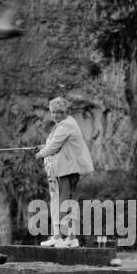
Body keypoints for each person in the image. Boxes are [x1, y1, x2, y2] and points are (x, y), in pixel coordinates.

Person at [36, 96, 93, 248]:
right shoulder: (64, 123)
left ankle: (60, 237)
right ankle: (68, 237)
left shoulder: (65, 125)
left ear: (66, 111)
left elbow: (54, 146)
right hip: (66, 170)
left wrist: (41, 153)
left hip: (67, 171)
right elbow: (57, 143)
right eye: (53, 112)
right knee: (66, 202)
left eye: (59, 112)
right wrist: (45, 147)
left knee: (63, 202)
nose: (56, 115)